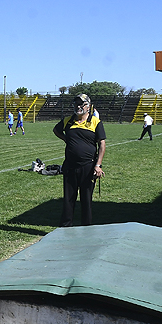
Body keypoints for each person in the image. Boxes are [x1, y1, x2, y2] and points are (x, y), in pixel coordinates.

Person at [53, 94, 106, 227]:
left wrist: (98, 165)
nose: (78, 106)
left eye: (82, 104)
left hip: (88, 167)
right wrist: (67, 139)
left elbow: (102, 145)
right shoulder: (68, 121)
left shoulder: (95, 122)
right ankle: (65, 227)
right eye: (76, 104)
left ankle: (86, 228)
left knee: (86, 200)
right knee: (68, 199)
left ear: (88, 106)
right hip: (70, 166)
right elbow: (56, 130)